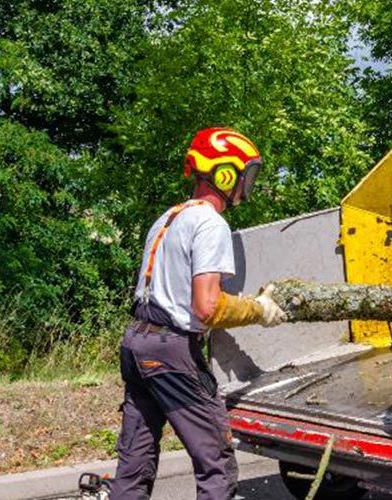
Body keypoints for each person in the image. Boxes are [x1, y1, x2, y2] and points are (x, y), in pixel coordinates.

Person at [110, 127, 287, 500]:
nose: (245, 186)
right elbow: (207, 306)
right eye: (245, 176)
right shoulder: (210, 223)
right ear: (225, 174)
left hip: (137, 343)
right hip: (170, 350)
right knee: (216, 460)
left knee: (135, 460)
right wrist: (259, 309)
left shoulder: (168, 218)